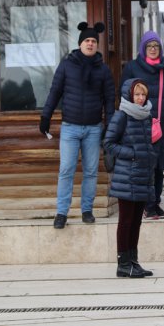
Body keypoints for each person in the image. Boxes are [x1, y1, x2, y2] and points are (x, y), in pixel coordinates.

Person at [40, 22, 115, 228]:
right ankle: (61, 213)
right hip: (70, 127)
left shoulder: (103, 70)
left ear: (96, 45)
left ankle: (87, 210)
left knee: (91, 171)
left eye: (93, 41)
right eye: (87, 40)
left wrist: (109, 126)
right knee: (66, 170)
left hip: (93, 128)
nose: (90, 44)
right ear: (80, 43)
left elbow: (110, 100)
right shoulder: (67, 65)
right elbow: (55, 92)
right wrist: (45, 117)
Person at [121, 31, 164, 220]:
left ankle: (155, 203)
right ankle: (146, 204)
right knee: (143, 165)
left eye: (156, 46)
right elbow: (124, 94)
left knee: (159, 166)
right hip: (139, 125)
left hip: (161, 125)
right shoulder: (132, 67)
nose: (153, 49)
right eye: (149, 46)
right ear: (143, 48)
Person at [104, 78, 156, 278]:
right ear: (129, 95)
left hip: (143, 175)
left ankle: (134, 262)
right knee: (125, 221)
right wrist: (132, 154)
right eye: (137, 94)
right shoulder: (122, 116)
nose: (141, 98)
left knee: (136, 222)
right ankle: (123, 264)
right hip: (127, 176)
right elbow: (108, 143)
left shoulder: (146, 116)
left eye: (143, 94)